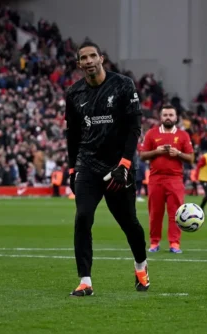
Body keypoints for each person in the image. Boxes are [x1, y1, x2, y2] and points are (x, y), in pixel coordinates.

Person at [65, 41, 149, 296]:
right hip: (88, 165)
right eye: (84, 58)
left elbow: (135, 128)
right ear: (79, 64)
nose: (89, 61)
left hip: (118, 167)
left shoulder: (123, 85)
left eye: (93, 56)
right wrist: (71, 169)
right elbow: (72, 135)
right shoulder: (74, 93)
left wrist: (124, 163)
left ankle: (141, 266)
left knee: (129, 223)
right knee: (82, 218)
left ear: (101, 58)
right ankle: (85, 281)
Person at [140, 105, 194, 254]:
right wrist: (156, 151)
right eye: (165, 115)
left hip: (175, 179)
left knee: (175, 214)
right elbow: (142, 155)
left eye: (171, 115)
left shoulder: (183, 135)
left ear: (176, 118)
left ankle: (174, 243)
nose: (168, 117)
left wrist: (178, 153)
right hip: (156, 179)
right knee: (155, 213)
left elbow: (191, 158)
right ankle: (154, 242)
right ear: (161, 117)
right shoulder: (152, 133)